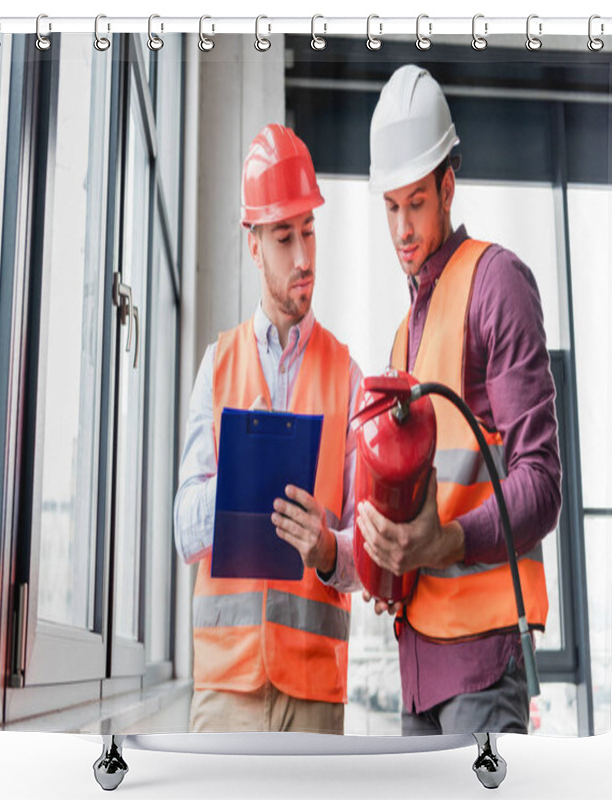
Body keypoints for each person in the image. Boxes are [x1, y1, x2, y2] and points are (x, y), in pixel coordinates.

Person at [356, 65, 562, 736]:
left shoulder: (495, 282)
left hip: (484, 661)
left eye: (416, 202)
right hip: (417, 668)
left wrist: (445, 541)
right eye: (390, 207)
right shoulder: (401, 338)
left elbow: (542, 484)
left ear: (449, 184)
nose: (402, 229)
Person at [174, 124, 362, 735]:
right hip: (226, 691)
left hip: (314, 693)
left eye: (309, 232)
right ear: (253, 245)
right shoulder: (218, 364)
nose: (304, 257)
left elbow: (370, 554)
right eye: (284, 237)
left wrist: (330, 550)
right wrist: (238, 472)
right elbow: (183, 531)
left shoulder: (347, 374)